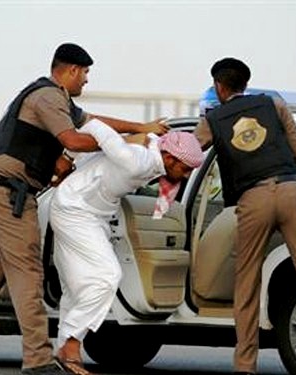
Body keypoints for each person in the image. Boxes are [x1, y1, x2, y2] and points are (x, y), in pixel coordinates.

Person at [0, 42, 169, 375]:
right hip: (10, 196)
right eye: (86, 74)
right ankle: (37, 361)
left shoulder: (55, 99)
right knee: (27, 277)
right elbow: (75, 140)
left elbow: (94, 122)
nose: (87, 81)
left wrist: (139, 128)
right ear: (72, 70)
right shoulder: (48, 97)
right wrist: (120, 145)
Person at [194, 57, 296, 375]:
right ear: (245, 85)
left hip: (253, 200)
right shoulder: (273, 105)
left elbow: (190, 151)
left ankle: (245, 365)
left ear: (219, 87)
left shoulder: (214, 118)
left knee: (247, 283)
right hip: (292, 193)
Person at [50, 120, 204, 375]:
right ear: (169, 158)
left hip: (93, 213)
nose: (187, 176)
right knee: (108, 277)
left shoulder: (152, 157)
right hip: (74, 209)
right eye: (185, 169)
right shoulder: (137, 160)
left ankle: (64, 350)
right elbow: (95, 126)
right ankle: (73, 343)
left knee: (76, 287)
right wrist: (68, 157)